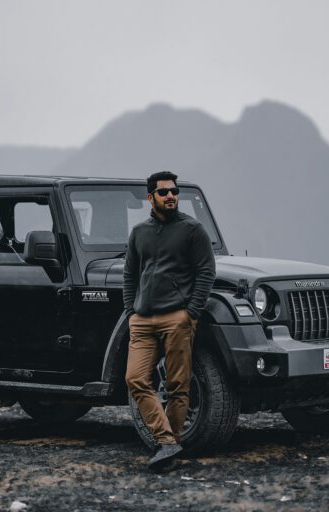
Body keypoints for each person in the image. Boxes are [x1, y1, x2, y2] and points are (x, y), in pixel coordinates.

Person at [123, 171, 216, 471]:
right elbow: (130, 274)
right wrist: (130, 312)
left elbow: (206, 272)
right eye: (163, 192)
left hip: (177, 318)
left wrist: (191, 313)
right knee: (135, 379)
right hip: (142, 320)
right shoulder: (139, 232)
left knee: (177, 385)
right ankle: (167, 441)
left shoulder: (192, 230)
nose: (171, 196)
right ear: (150, 198)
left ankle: (167, 446)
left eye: (174, 191)